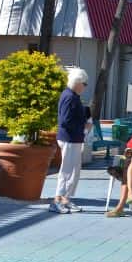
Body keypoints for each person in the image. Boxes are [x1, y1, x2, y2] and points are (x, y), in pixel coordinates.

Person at [51, 68, 89, 214]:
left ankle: (66, 199)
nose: (85, 87)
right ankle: (57, 200)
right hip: (69, 138)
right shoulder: (69, 97)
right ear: (78, 83)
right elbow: (65, 120)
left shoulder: (73, 96)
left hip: (74, 138)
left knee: (74, 171)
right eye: (84, 84)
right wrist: (83, 126)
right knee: (66, 170)